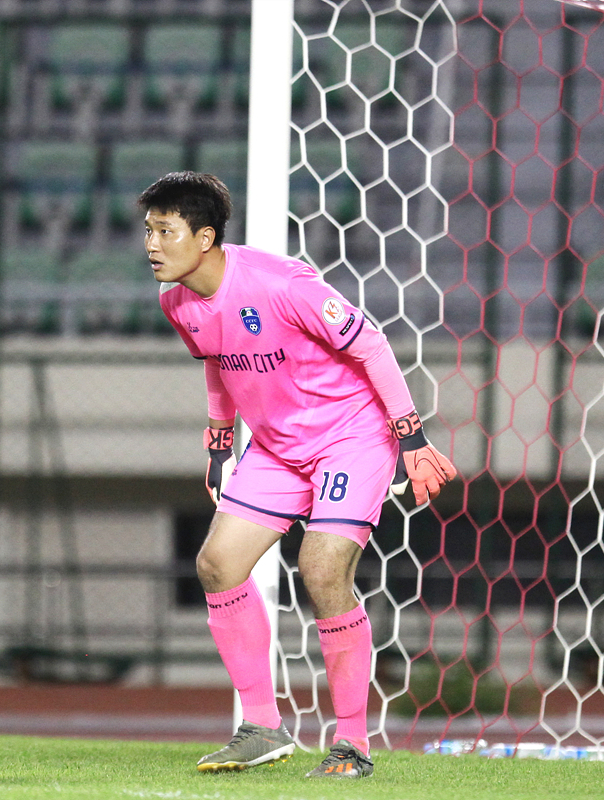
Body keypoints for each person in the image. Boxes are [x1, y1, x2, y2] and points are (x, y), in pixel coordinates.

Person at [138, 171, 456, 779]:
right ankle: (262, 727)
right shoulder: (175, 300)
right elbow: (217, 361)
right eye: (148, 231)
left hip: (350, 437)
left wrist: (411, 436)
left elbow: (371, 344)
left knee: (322, 568)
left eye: (165, 231)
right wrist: (220, 440)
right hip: (277, 447)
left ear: (204, 237)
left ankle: (352, 745)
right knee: (217, 564)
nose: (152, 245)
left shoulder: (283, 283)